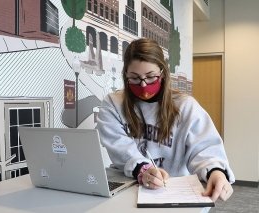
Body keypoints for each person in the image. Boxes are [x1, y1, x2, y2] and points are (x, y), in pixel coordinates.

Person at [96, 38, 235, 202]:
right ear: (125, 74)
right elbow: (118, 145)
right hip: (128, 187)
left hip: (172, 190)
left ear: (163, 73)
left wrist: (215, 172)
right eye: (134, 78)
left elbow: (204, 147)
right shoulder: (113, 103)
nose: (143, 85)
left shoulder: (185, 106)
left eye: (150, 77)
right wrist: (143, 169)